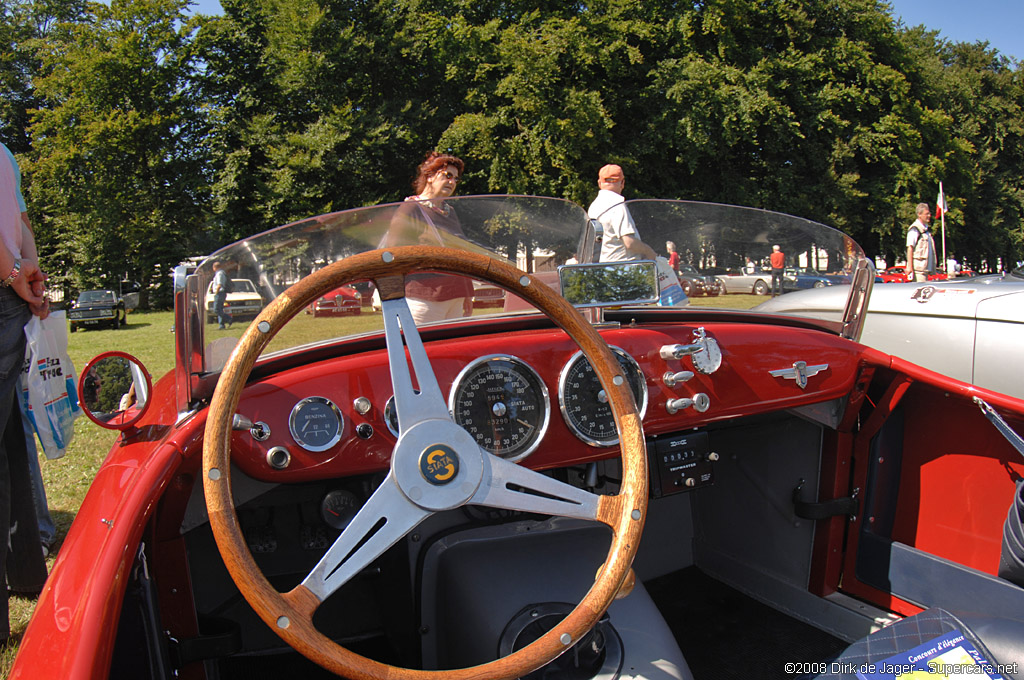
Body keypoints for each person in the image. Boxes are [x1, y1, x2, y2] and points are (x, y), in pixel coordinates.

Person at [1, 140, 50, 643]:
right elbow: (22, 222)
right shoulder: (4, 153)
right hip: (9, 296)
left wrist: (19, 276)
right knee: (11, 443)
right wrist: (26, 275)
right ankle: (27, 572)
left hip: (3, 289)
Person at [386, 152, 473, 325]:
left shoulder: (450, 212)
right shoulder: (410, 209)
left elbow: (460, 254)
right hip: (424, 300)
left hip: (455, 298)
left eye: (456, 178)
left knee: (450, 351)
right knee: (419, 351)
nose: (452, 182)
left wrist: (467, 292)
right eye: (447, 175)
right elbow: (392, 256)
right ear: (430, 176)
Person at [587, 164, 659, 262]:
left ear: (600, 183)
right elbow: (629, 243)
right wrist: (649, 251)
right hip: (623, 268)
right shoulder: (617, 206)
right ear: (622, 183)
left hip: (603, 268)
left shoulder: (594, 207)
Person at [906, 203, 936, 283]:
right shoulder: (915, 229)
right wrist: (910, 267)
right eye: (926, 214)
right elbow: (910, 248)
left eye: (929, 213)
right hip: (918, 271)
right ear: (919, 214)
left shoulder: (926, 230)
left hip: (924, 270)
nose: (929, 216)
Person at [211, 261, 233, 329]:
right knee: (220, 309)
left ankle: (229, 318)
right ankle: (221, 325)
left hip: (220, 293)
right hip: (220, 293)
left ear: (215, 267)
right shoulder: (219, 273)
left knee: (216, 309)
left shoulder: (220, 274)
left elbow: (219, 284)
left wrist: (216, 293)